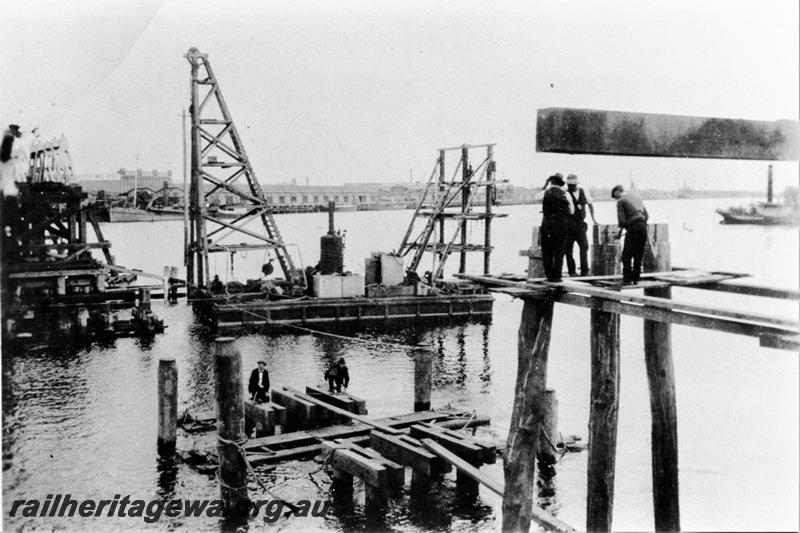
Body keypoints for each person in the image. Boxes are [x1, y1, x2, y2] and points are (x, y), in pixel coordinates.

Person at [534, 174, 573, 282]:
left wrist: (544, 186)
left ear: (550, 183)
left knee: (547, 251)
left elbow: (535, 197)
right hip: (561, 225)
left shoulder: (544, 193)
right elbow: (572, 210)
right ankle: (557, 276)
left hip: (547, 225)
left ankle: (549, 276)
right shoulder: (566, 194)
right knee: (560, 251)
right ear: (560, 184)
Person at [612, 184, 649, 284]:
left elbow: (622, 221)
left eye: (615, 197)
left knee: (626, 255)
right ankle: (636, 278)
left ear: (617, 192)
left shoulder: (621, 201)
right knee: (638, 254)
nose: (615, 199)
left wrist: (621, 232)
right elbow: (647, 215)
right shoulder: (637, 198)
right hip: (643, 227)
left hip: (633, 228)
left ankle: (627, 279)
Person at [564, 174, 597, 277]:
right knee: (568, 249)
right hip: (568, 225)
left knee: (584, 247)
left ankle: (584, 271)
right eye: (569, 185)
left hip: (580, 225)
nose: (571, 187)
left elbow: (590, 205)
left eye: (573, 185)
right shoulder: (565, 193)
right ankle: (572, 271)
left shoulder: (583, 192)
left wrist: (594, 220)